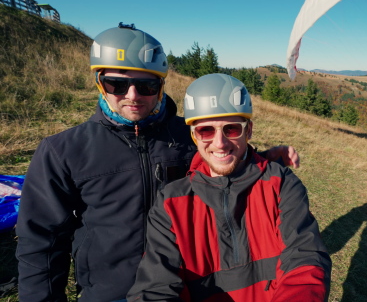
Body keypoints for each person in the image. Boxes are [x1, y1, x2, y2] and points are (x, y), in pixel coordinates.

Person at [15, 23, 300, 302]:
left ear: (161, 84)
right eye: (116, 83)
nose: (132, 96)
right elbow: (42, 242)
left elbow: (224, 162)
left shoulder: (191, 135)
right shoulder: (63, 151)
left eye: (146, 85)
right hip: (110, 291)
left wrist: (260, 158)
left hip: (186, 285)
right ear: (98, 82)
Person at [126, 74, 331, 301]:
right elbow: (156, 288)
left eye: (231, 129)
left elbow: (304, 260)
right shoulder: (171, 203)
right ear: (194, 136)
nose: (219, 143)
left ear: (249, 130)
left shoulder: (281, 184)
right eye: (206, 131)